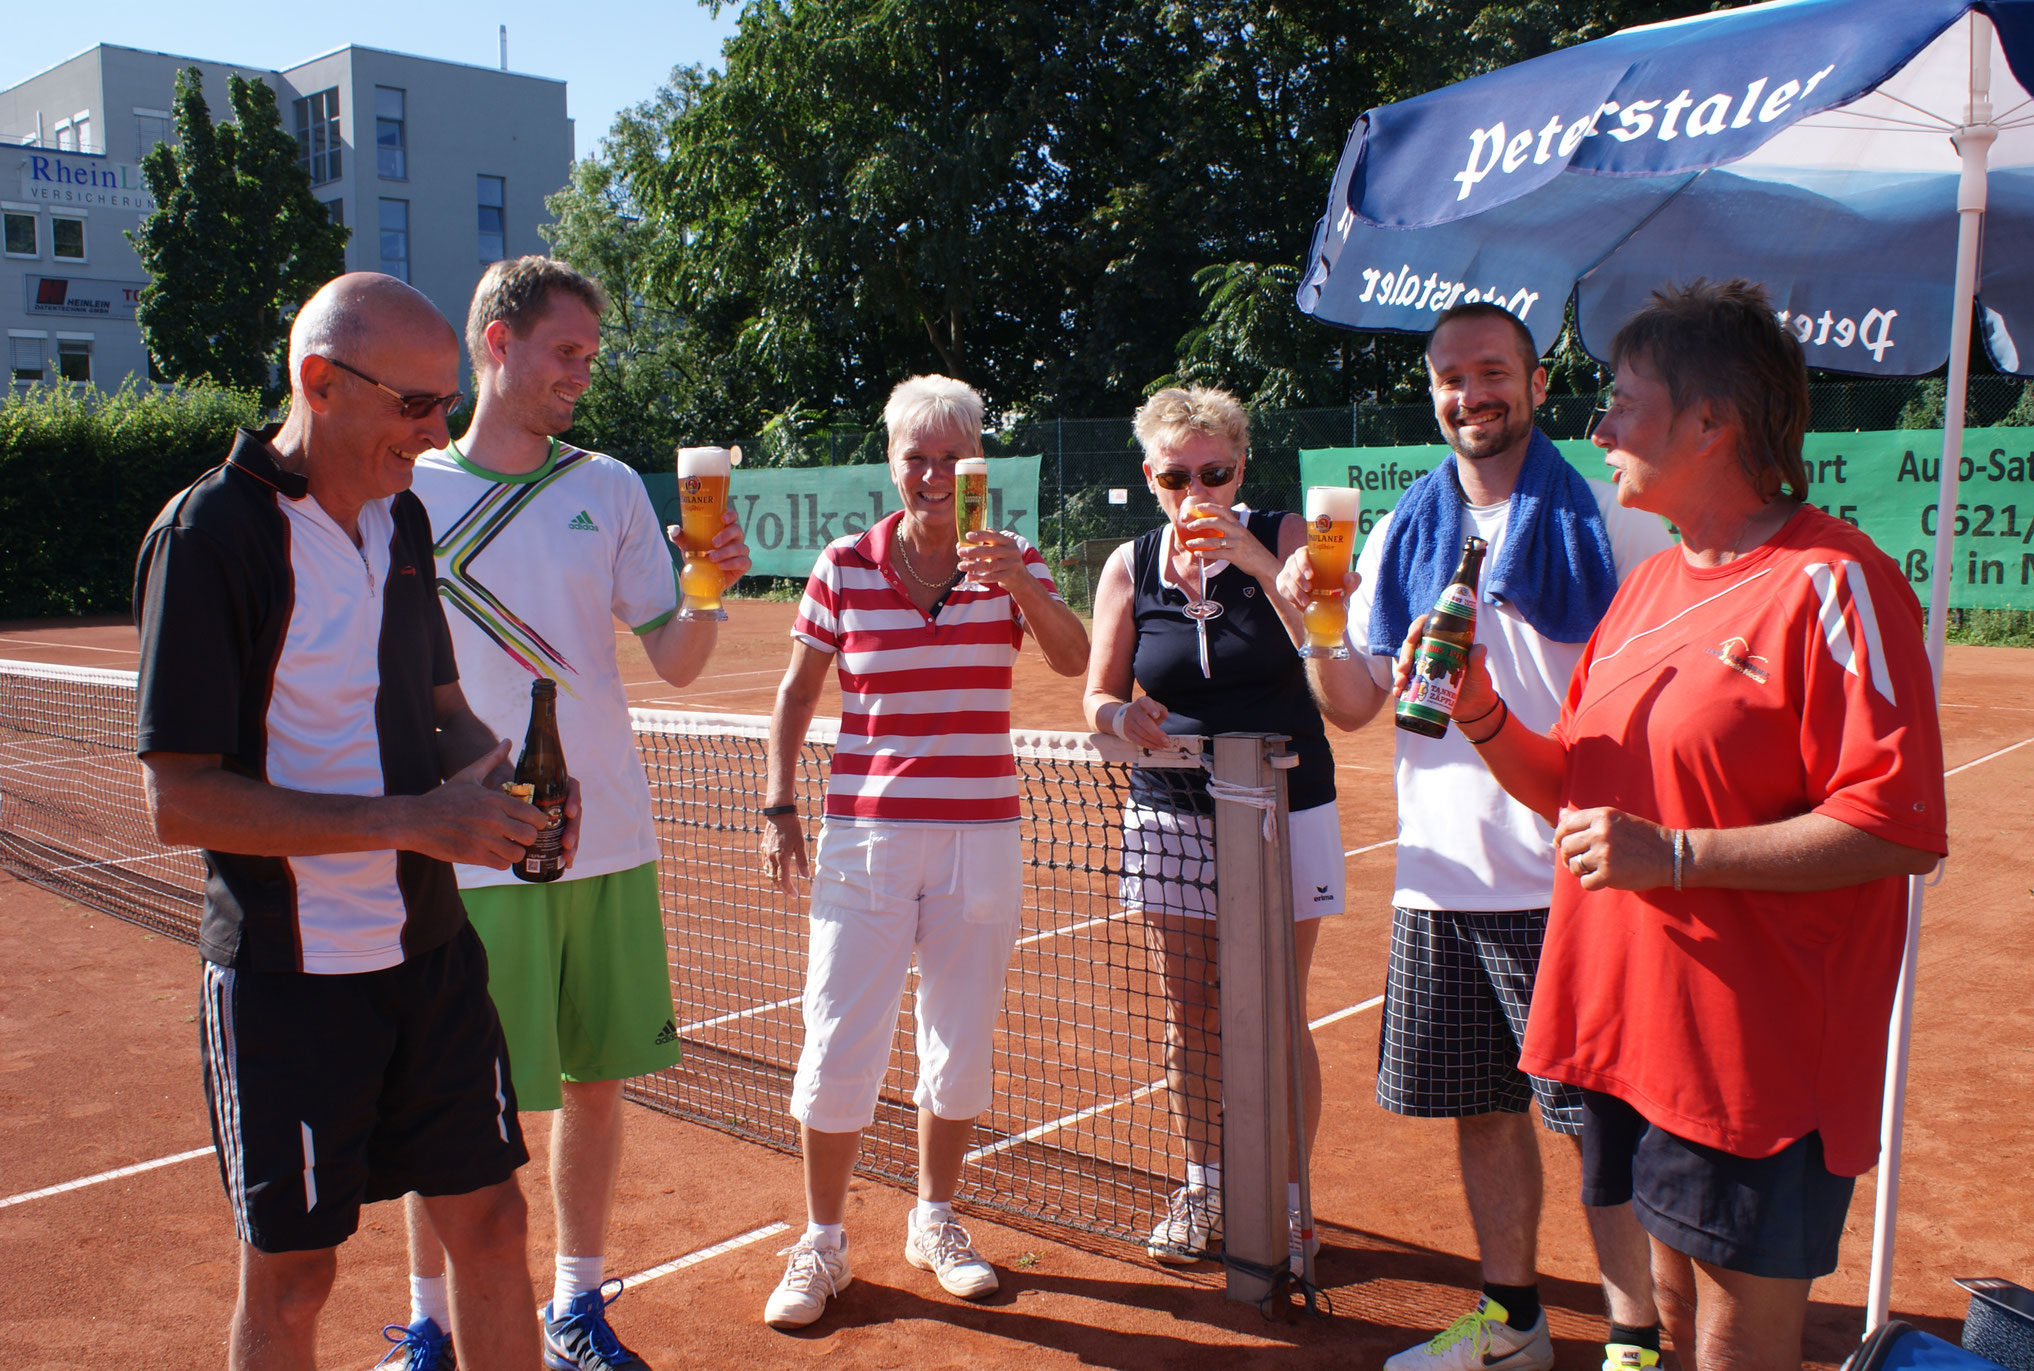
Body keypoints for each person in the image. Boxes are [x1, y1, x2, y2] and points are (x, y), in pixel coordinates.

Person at [1402, 280, 1946, 1371]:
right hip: (1623, 1022)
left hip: (1752, 1047)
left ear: (1710, 422)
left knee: (1739, 1331)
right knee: (1665, 1295)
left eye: (1623, 400)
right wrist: (1479, 713)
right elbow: (1573, 790)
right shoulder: (1645, 585)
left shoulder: (1833, 582)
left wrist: (1681, 857)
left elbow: (1896, 826)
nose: (1596, 426)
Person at [135, 273, 557, 1371]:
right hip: (289, 982)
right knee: (293, 1281)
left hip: (427, 956)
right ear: (320, 383)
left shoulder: (401, 517)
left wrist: (495, 776)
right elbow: (179, 798)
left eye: (443, 404)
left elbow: (438, 704)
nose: (434, 432)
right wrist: (416, 819)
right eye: (415, 405)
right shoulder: (209, 536)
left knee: (495, 1223)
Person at [1277, 301, 1670, 1371]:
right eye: (1450, 377)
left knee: (1598, 1133)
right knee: (1481, 1113)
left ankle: (1632, 1341)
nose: (1469, 393)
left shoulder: (1613, 522)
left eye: (1491, 371)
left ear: (1536, 384)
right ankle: (1513, 1326)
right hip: (1438, 882)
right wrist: (1314, 617)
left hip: (1570, 882)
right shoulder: (1404, 527)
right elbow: (1353, 705)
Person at [387, 256, 752, 1371]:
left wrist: (708, 590)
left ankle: (575, 1309)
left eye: (590, 356)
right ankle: (432, 1328)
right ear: (496, 344)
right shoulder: (405, 487)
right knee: (446, 1102)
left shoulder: (611, 486)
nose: (582, 375)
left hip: (604, 840)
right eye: (565, 352)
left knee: (594, 1085)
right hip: (462, 846)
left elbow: (679, 665)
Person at [755, 375, 1089, 1330]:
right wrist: (779, 803)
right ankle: (821, 1241)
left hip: (981, 836)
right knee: (837, 1036)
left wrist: (1020, 581)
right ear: (893, 460)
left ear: (976, 461)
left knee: (960, 1038)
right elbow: (794, 693)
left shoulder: (1014, 559)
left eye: (954, 456)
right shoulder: (843, 566)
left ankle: (935, 1218)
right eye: (919, 455)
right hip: (864, 836)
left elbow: (1071, 659)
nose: (936, 474)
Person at [1078, 385, 1340, 1271]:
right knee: (1192, 1014)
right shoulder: (1130, 563)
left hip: (1285, 799)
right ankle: (1206, 1183)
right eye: (1177, 474)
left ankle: (1293, 1202)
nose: (1199, 490)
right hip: (1173, 809)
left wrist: (1261, 564)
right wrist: (1121, 721)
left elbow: (1335, 645)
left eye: (1216, 472)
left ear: (1242, 465)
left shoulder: (1292, 535)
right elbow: (1097, 694)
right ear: (1150, 477)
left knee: (1273, 1010)